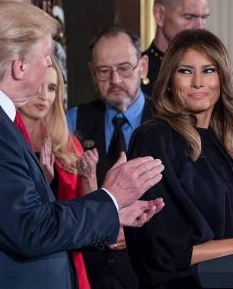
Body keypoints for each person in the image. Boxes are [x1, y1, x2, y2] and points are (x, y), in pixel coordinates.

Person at [0, 0, 164, 289]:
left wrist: (111, 215)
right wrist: (110, 199)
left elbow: (32, 222)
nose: (51, 66)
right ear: (20, 66)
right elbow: (32, 229)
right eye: (48, 57)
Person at [125, 29, 233, 289]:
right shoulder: (153, 139)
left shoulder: (232, 142)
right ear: (170, 78)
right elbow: (161, 253)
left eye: (208, 70)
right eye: (185, 71)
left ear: (223, 77)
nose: (197, 83)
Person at [66, 27, 153, 289]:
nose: (115, 79)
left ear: (143, 67)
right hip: (92, 271)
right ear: (93, 73)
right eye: (104, 71)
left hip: (153, 267)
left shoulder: (169, 121)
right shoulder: (72, 121)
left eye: (125, 68)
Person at [18, 57, 97, 289]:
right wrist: (42, 183)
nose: (44, 96)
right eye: (38, 86)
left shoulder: (69, 145)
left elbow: (89, 220)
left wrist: (88, 177)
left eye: (51, 88)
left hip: (69, 263)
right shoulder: (4, 141)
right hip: (23, 265)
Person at [142, 0, 209, 96]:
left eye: (204, 17)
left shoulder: (214, 71)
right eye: (189, 17)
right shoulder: (134, 74)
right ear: (159, 15)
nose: (199, 27)